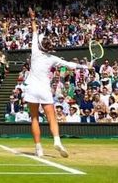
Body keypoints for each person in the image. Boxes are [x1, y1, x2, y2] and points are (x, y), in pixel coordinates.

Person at [24, 8, 91, 158]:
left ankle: (38, 148)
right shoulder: (53, 58)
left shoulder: (35, 50)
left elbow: (34, 30)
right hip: (44, 89)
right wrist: (85, 66)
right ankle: (57, 141)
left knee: (34, 118)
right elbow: (70, 65)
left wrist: (33, 17)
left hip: (32, 89)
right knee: (52, 117)